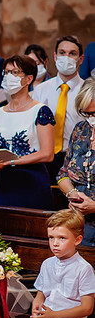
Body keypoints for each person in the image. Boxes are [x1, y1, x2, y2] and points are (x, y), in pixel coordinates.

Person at [0, 55, 55, 210]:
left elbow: (47, 153)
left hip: (32, 182)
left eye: (15, 72)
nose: (9, 76)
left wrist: (11, 162)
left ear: (29, 78)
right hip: (3, 184)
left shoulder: (40, 111)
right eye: (6, 72)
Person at [32, 35, 84, 179]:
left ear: (81, 59)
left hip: (76, 159)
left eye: (72, 53)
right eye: (62, 53)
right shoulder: (41, 90)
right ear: (55, 56)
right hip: (44, 158)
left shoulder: (88, 91)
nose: (66, 57)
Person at [56, 79, 95, 245]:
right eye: (86, 114)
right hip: (80, 223)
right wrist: (71, 193)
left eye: (94, 113)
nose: (91, 119)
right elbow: (63, 173)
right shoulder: (80, 130)